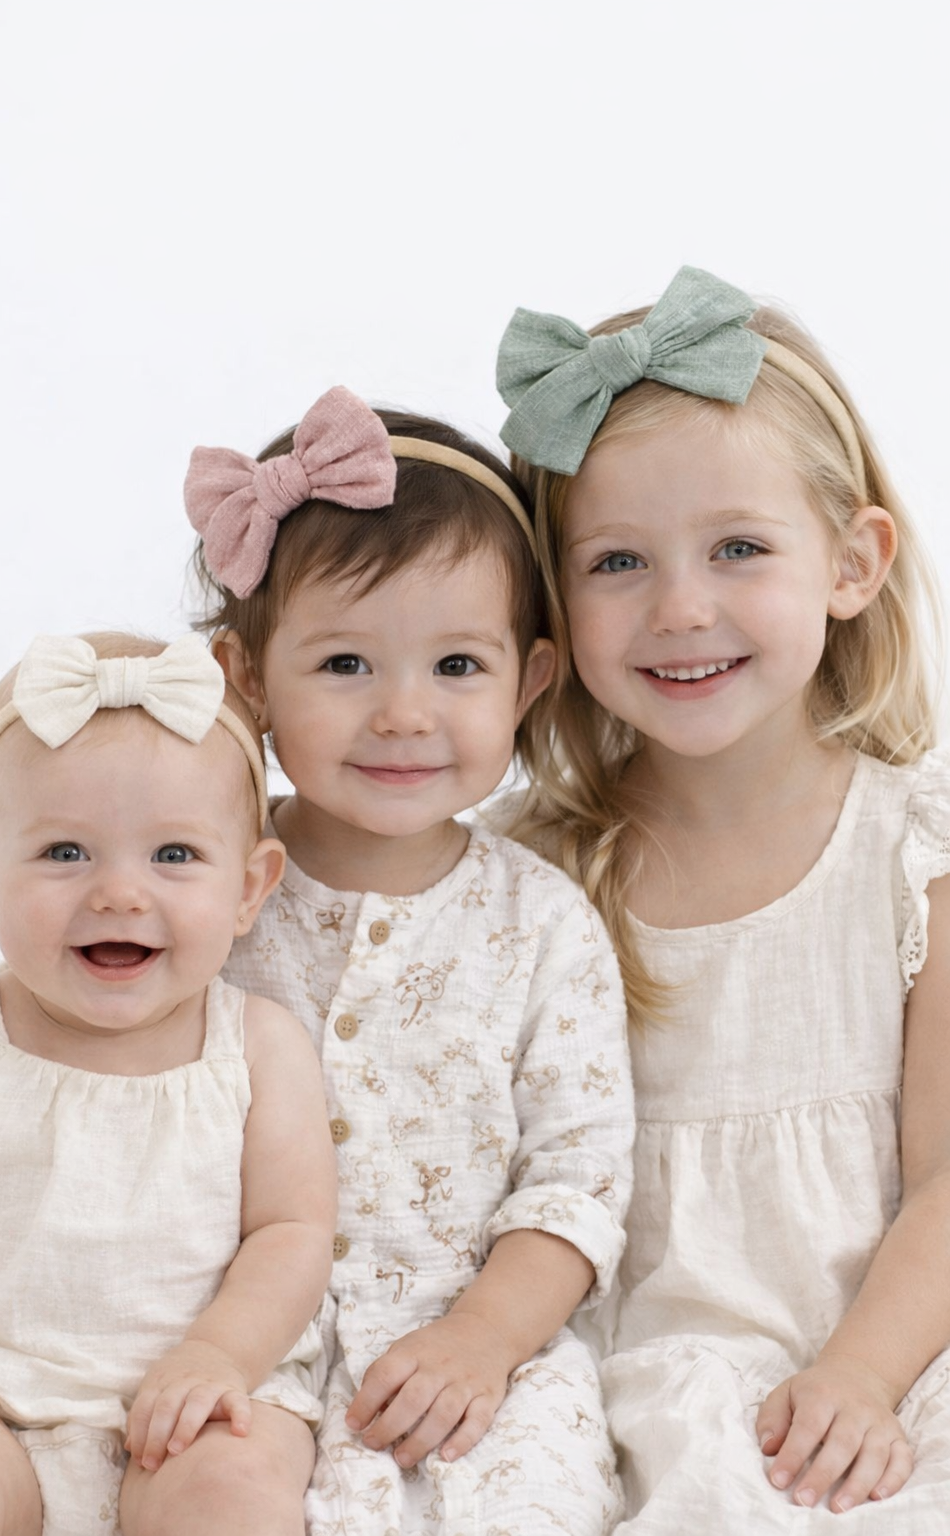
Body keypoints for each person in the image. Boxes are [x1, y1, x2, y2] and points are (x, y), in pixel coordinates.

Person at [490, 265, 950, 1530]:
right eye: (617, 561)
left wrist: (858, 1374)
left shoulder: (916, 848)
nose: (680, 609)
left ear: (850, 563)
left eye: (738, 549)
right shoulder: (527, 878)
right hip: (639, 1368)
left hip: (895, 1350)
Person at [184, 385, 636, 1535]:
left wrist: (485, 1337)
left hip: (481, 1347)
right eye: (343, 665)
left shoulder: (541, 924)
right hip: (226, 1336)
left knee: (526, 1505)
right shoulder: (206, 892)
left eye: (455, 668)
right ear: (249, 679)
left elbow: (577, 1177)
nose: (402, 715)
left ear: (529, 681)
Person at [0, 631, 337, 1536]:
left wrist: (218, 1355)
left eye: (175, 856)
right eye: (65, 852)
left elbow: (292, 1230)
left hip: (194, 1407)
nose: (118, 893)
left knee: (233, 1498)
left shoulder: (258, 1047)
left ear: (250, 886)